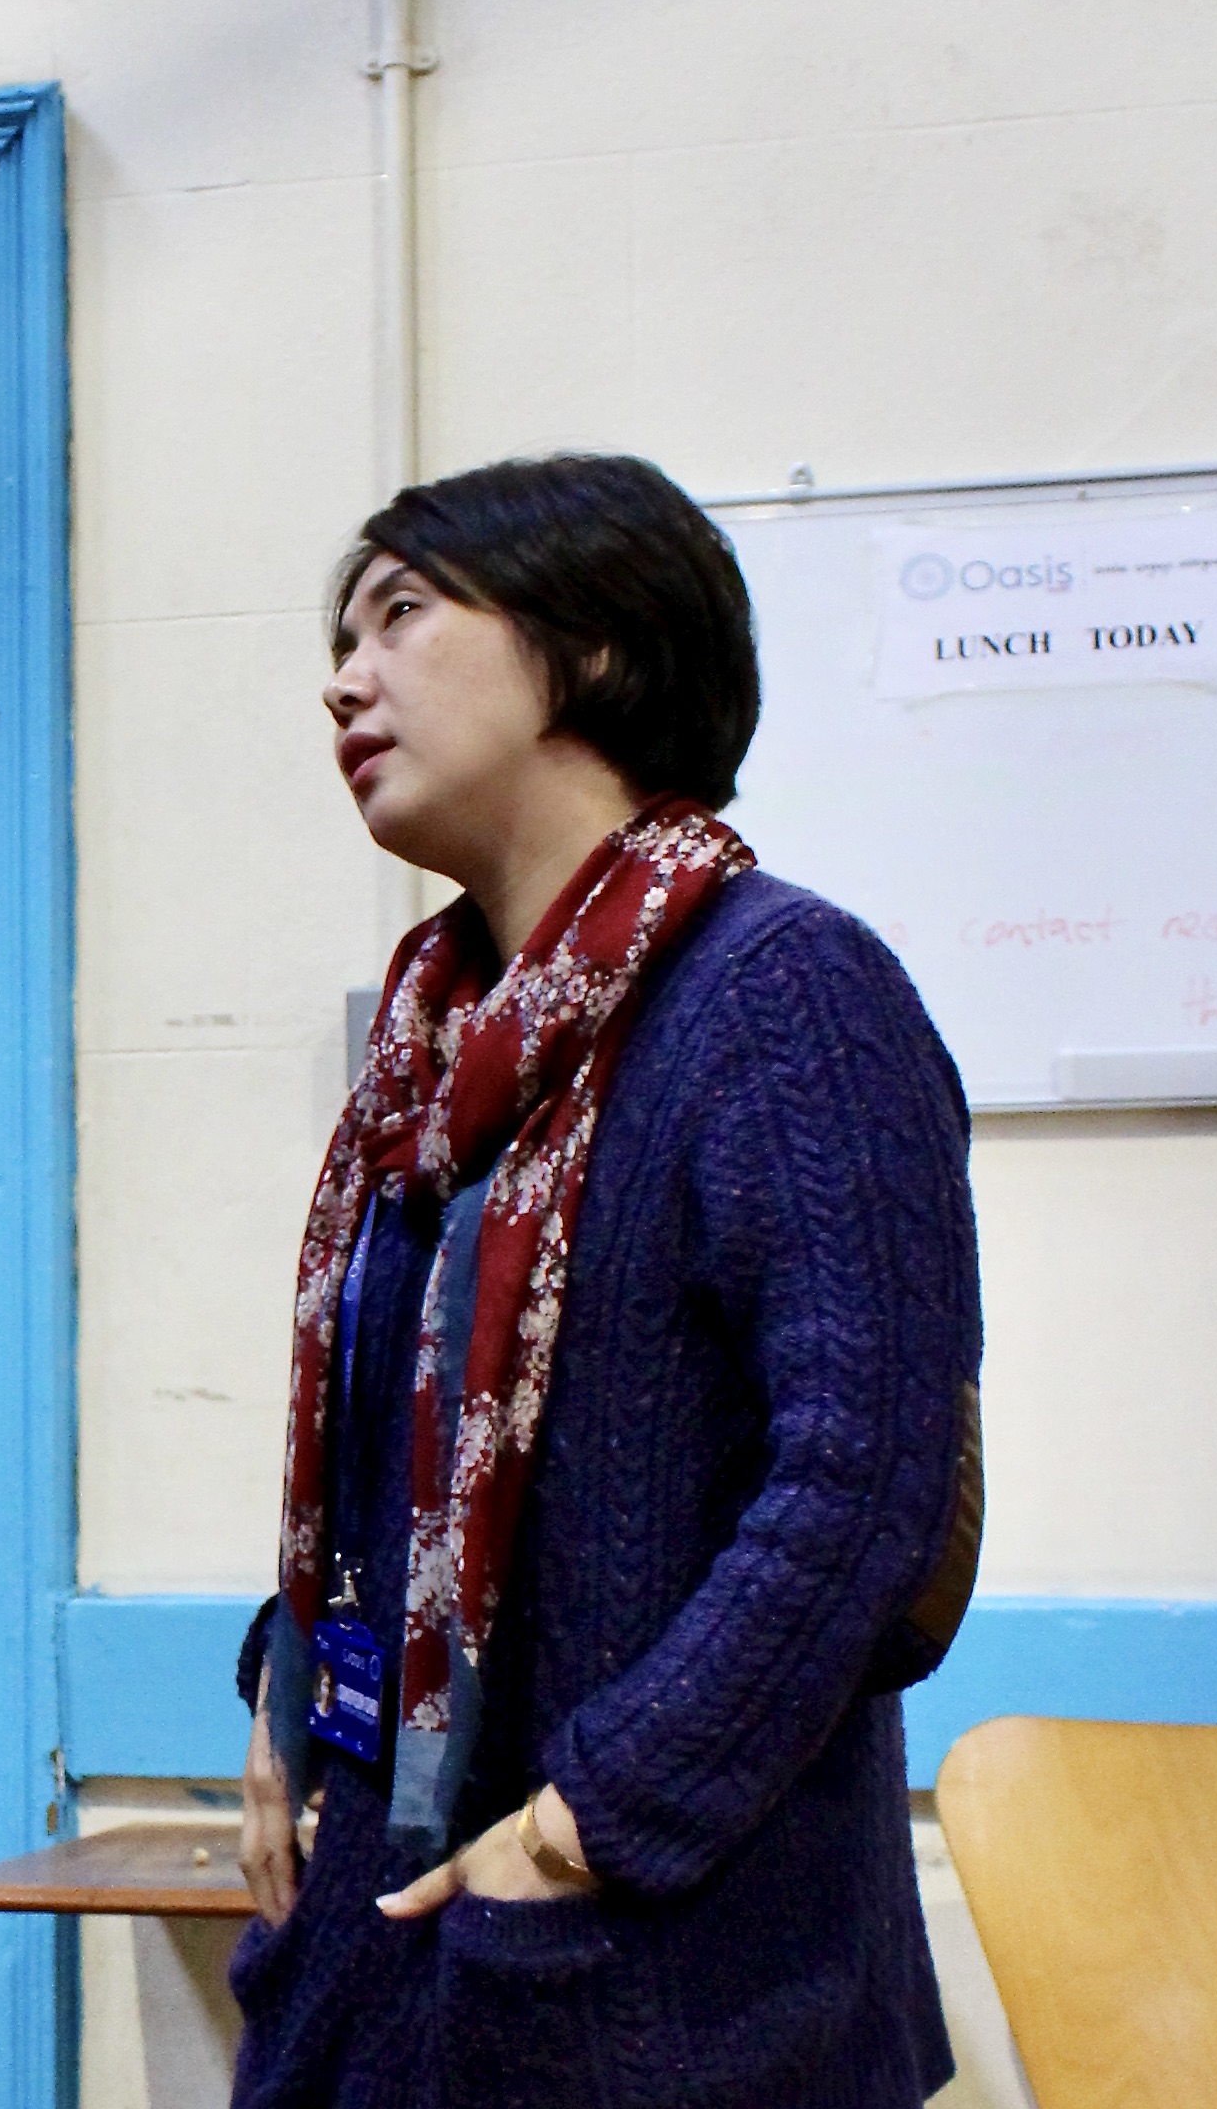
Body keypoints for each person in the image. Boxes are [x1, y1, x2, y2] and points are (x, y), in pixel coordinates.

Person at [228, 455, 987, 2106]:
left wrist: (584, 1822)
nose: (342, 678)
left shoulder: (783, 995)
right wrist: (286, 1691)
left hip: (668, 1991)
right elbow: (389, 1464)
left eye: (401, 614)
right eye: (339, 636)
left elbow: (865, 1488)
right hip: (378, 1964)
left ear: (595, 645)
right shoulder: (422, 1056)